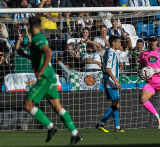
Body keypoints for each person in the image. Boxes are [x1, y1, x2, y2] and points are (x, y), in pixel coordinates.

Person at [17, 17, 82, 145]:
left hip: (45, 77)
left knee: (27, 105)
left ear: (29, 27)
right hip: (51, 76)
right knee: (57, 107)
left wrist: (40, 71)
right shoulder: (38, 38)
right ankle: (75, 133)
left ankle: (50, 126)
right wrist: (25, 55)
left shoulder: (37, 39)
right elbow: (39, 55)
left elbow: (49, 53)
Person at [96, 35, 125, 133]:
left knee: (116, 104)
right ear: (113, 43)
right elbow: (108, 69)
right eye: (118, 42)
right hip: (110, 82)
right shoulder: (111, 53)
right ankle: (101, 123)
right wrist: (116, 81)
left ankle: (117, 127)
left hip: (111, 82)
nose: (120, 44)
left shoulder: (111, 52)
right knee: (116, 104)